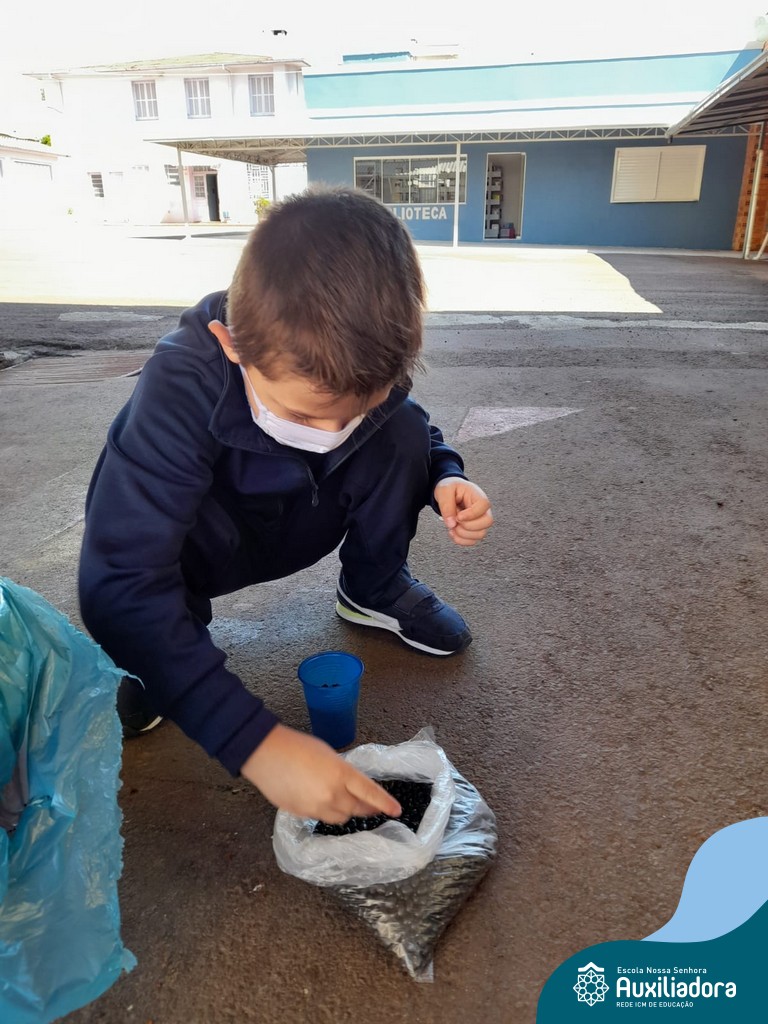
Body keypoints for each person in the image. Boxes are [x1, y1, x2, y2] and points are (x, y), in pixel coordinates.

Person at [78, 186, 493, 826]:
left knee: (403, 425)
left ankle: (373, 588)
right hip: (204, 542)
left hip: (300, 517)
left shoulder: (368, 358)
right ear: (231, 345)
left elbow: (413, 427)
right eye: (302, 415)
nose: (332, 433)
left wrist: (443, 475)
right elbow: (119, 578)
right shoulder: (181, 382)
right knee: (145, 623)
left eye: (353, 413)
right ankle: (160, 651)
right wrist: (256, 745)